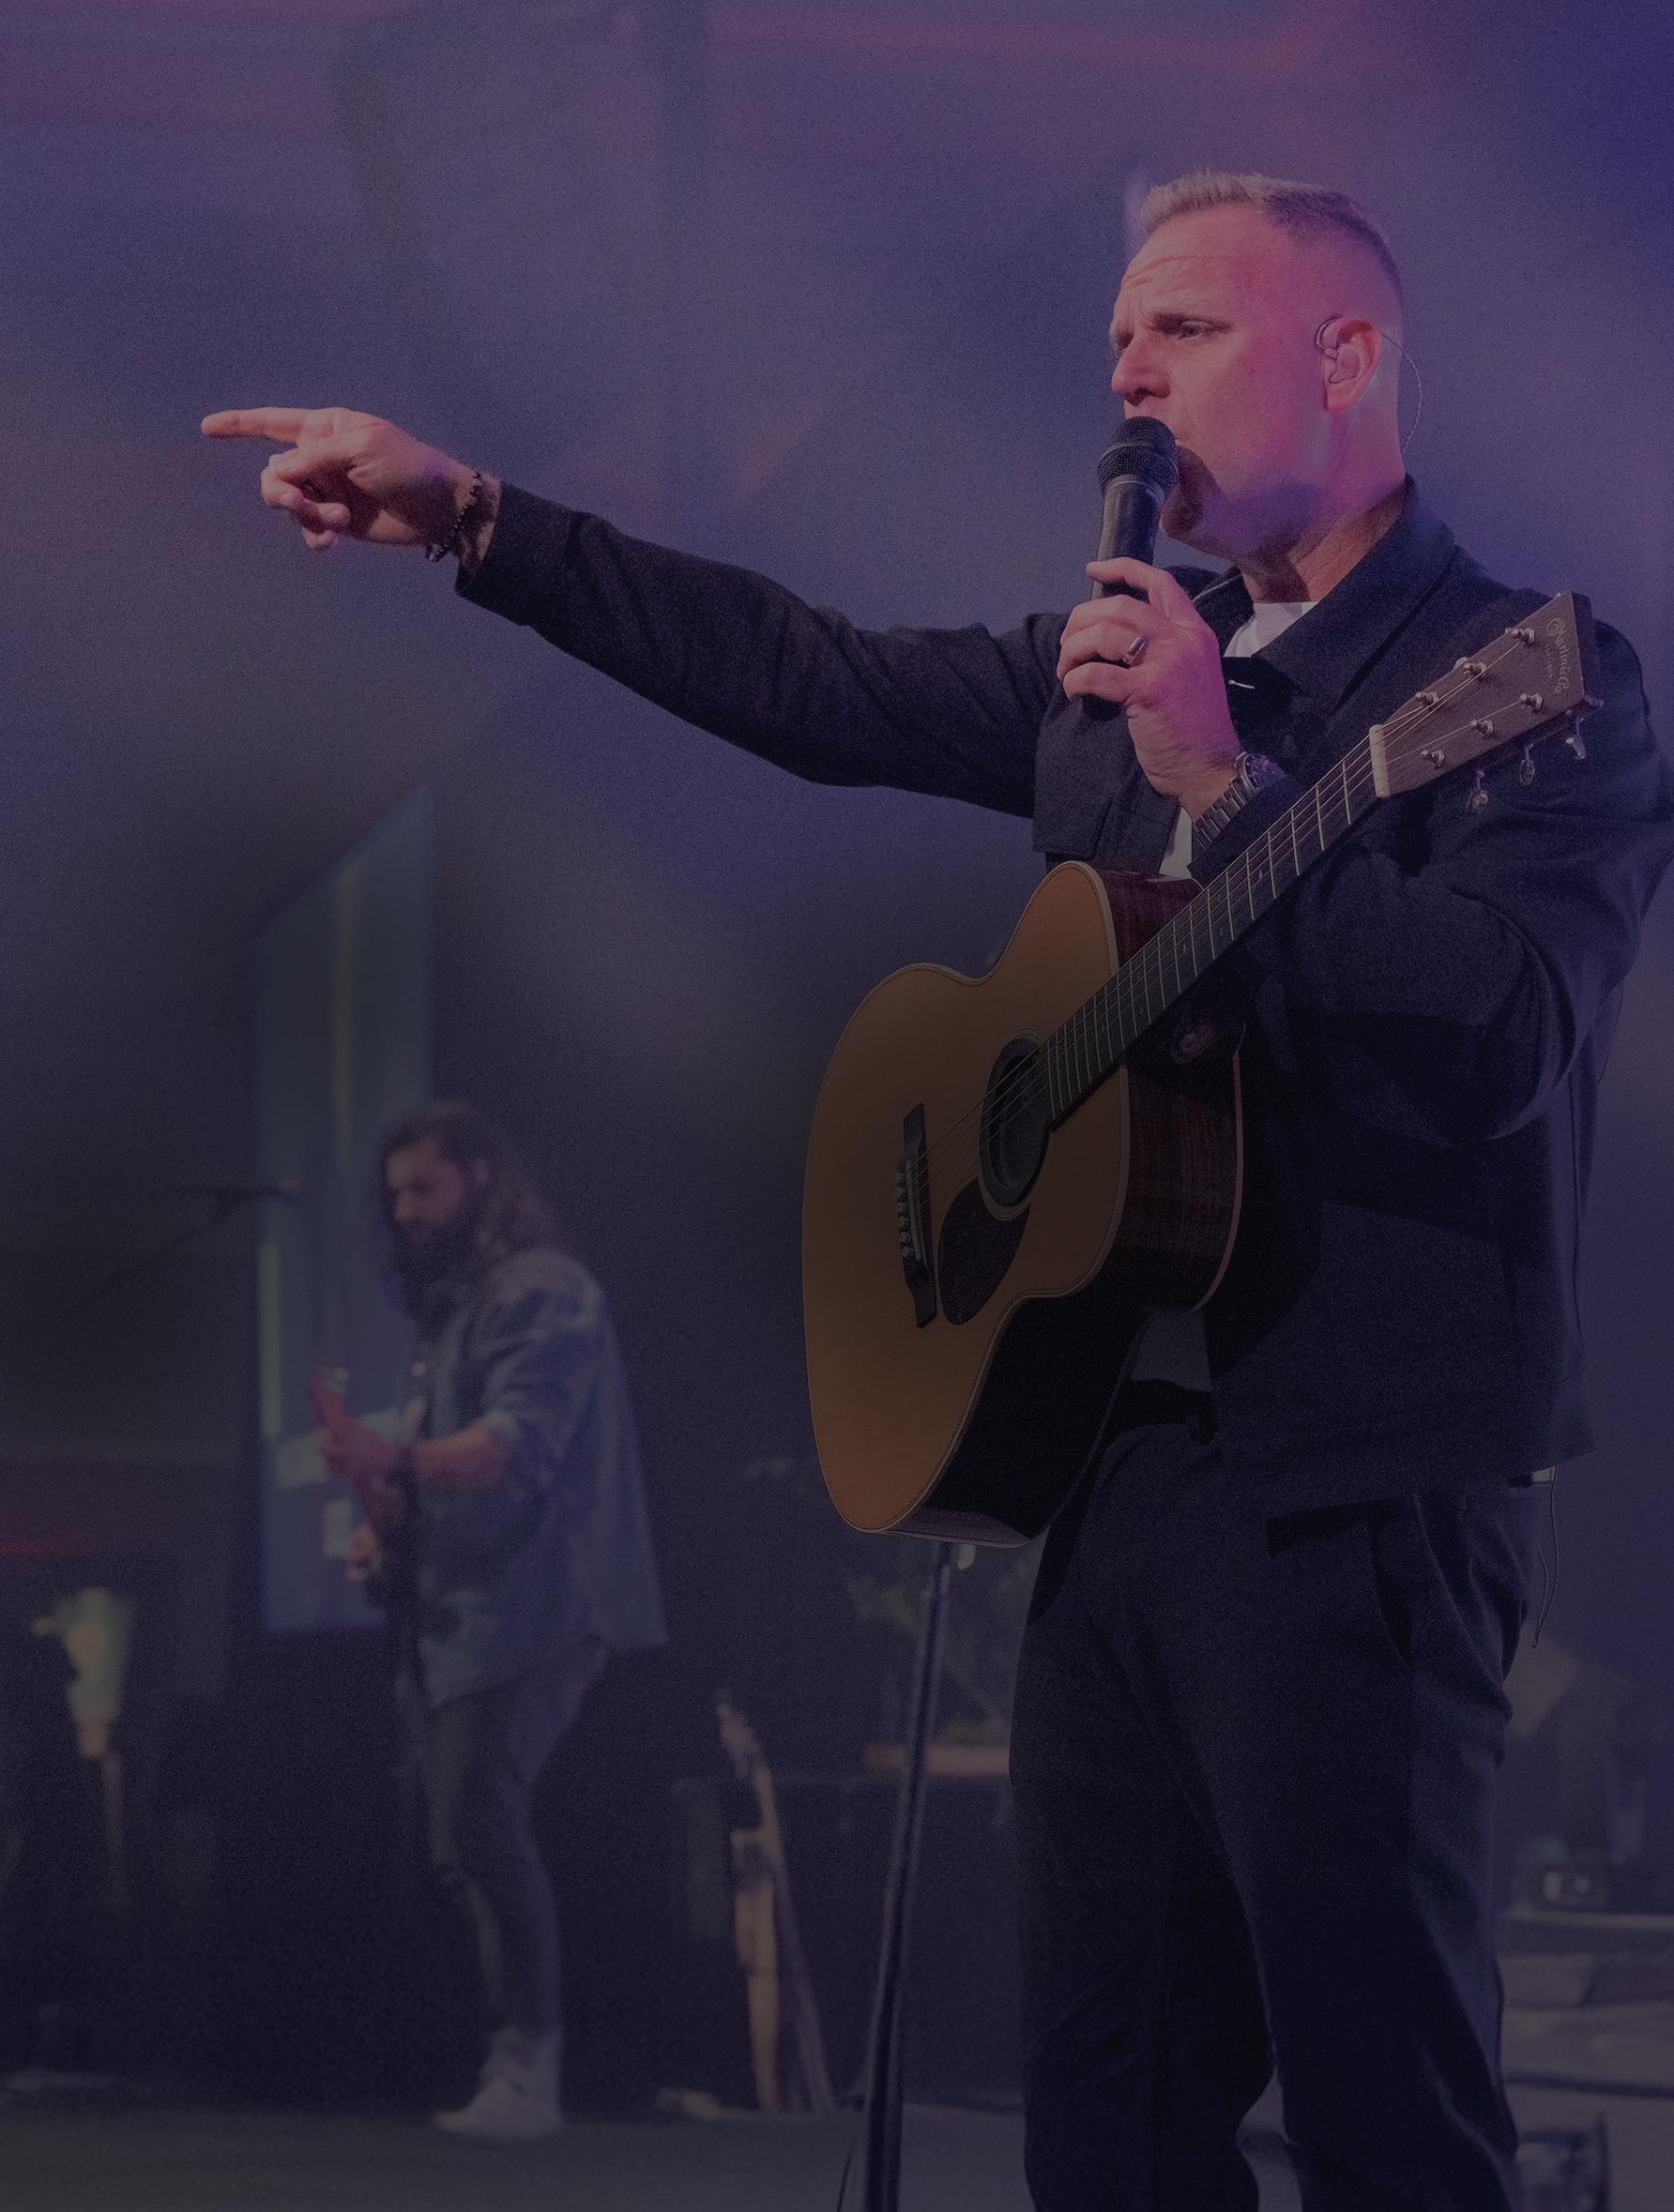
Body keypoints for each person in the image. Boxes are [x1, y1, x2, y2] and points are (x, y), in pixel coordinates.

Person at [210, 172, 1674, 2208]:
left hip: (1355, 1490)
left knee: (1384, 2116)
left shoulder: (1524, 673)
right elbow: (800, 672)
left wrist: (1227, 787)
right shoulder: (1112, 671)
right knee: (1105, 2121)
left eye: (1186, 329)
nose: (1129, 374)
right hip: (1108, 1476)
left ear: (1349, 356)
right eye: (1116, 340)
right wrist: (477, 519)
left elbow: (1508, 1030)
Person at [318, 1099, 666, 2143]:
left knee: (476, 1823)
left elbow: (516, 1449)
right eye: (395, 1195)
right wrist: (382, 1523)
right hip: (457, 1617)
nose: (405, 1212)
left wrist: (390, 1460)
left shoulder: (542, 1292)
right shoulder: (448, 1319)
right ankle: (513, 2061)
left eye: (422, 1188)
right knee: (462, 1839)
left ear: (479, 1178)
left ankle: (530, 2070)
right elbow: (436, 1475)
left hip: (536, 1602)